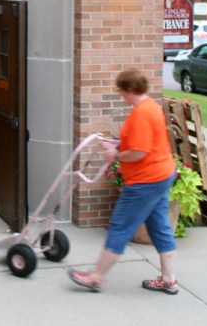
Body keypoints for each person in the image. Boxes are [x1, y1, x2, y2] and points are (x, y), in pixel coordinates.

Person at [68, 67, 179, 295]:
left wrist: (115, 154)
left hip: (145, 181)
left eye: (121, 91)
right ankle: (169, 279)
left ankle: (96, 278)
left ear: (129, 90)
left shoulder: (141, 114)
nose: (121, 96)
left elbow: (138, 152)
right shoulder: (151, 107)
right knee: (159, 227)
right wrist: (117, 143)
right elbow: (143, 143)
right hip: (161, 175)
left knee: (119, 226)